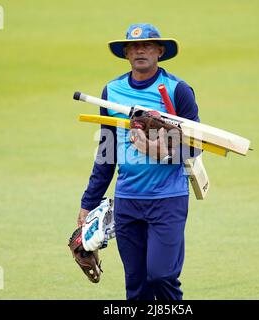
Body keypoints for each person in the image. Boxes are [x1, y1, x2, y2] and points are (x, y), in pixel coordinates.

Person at [77, 23, 201, 300]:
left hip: (168, 198)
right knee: (136, 285)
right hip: (128, 200)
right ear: (126, 54)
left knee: (161, 275)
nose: (139, 51)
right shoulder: (111, 91)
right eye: (133, 47)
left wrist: (164, 154)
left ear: (159, 51)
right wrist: (88, 203)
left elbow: (196, 147)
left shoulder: (178, 90)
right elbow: (106, 153)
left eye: (146, 46)